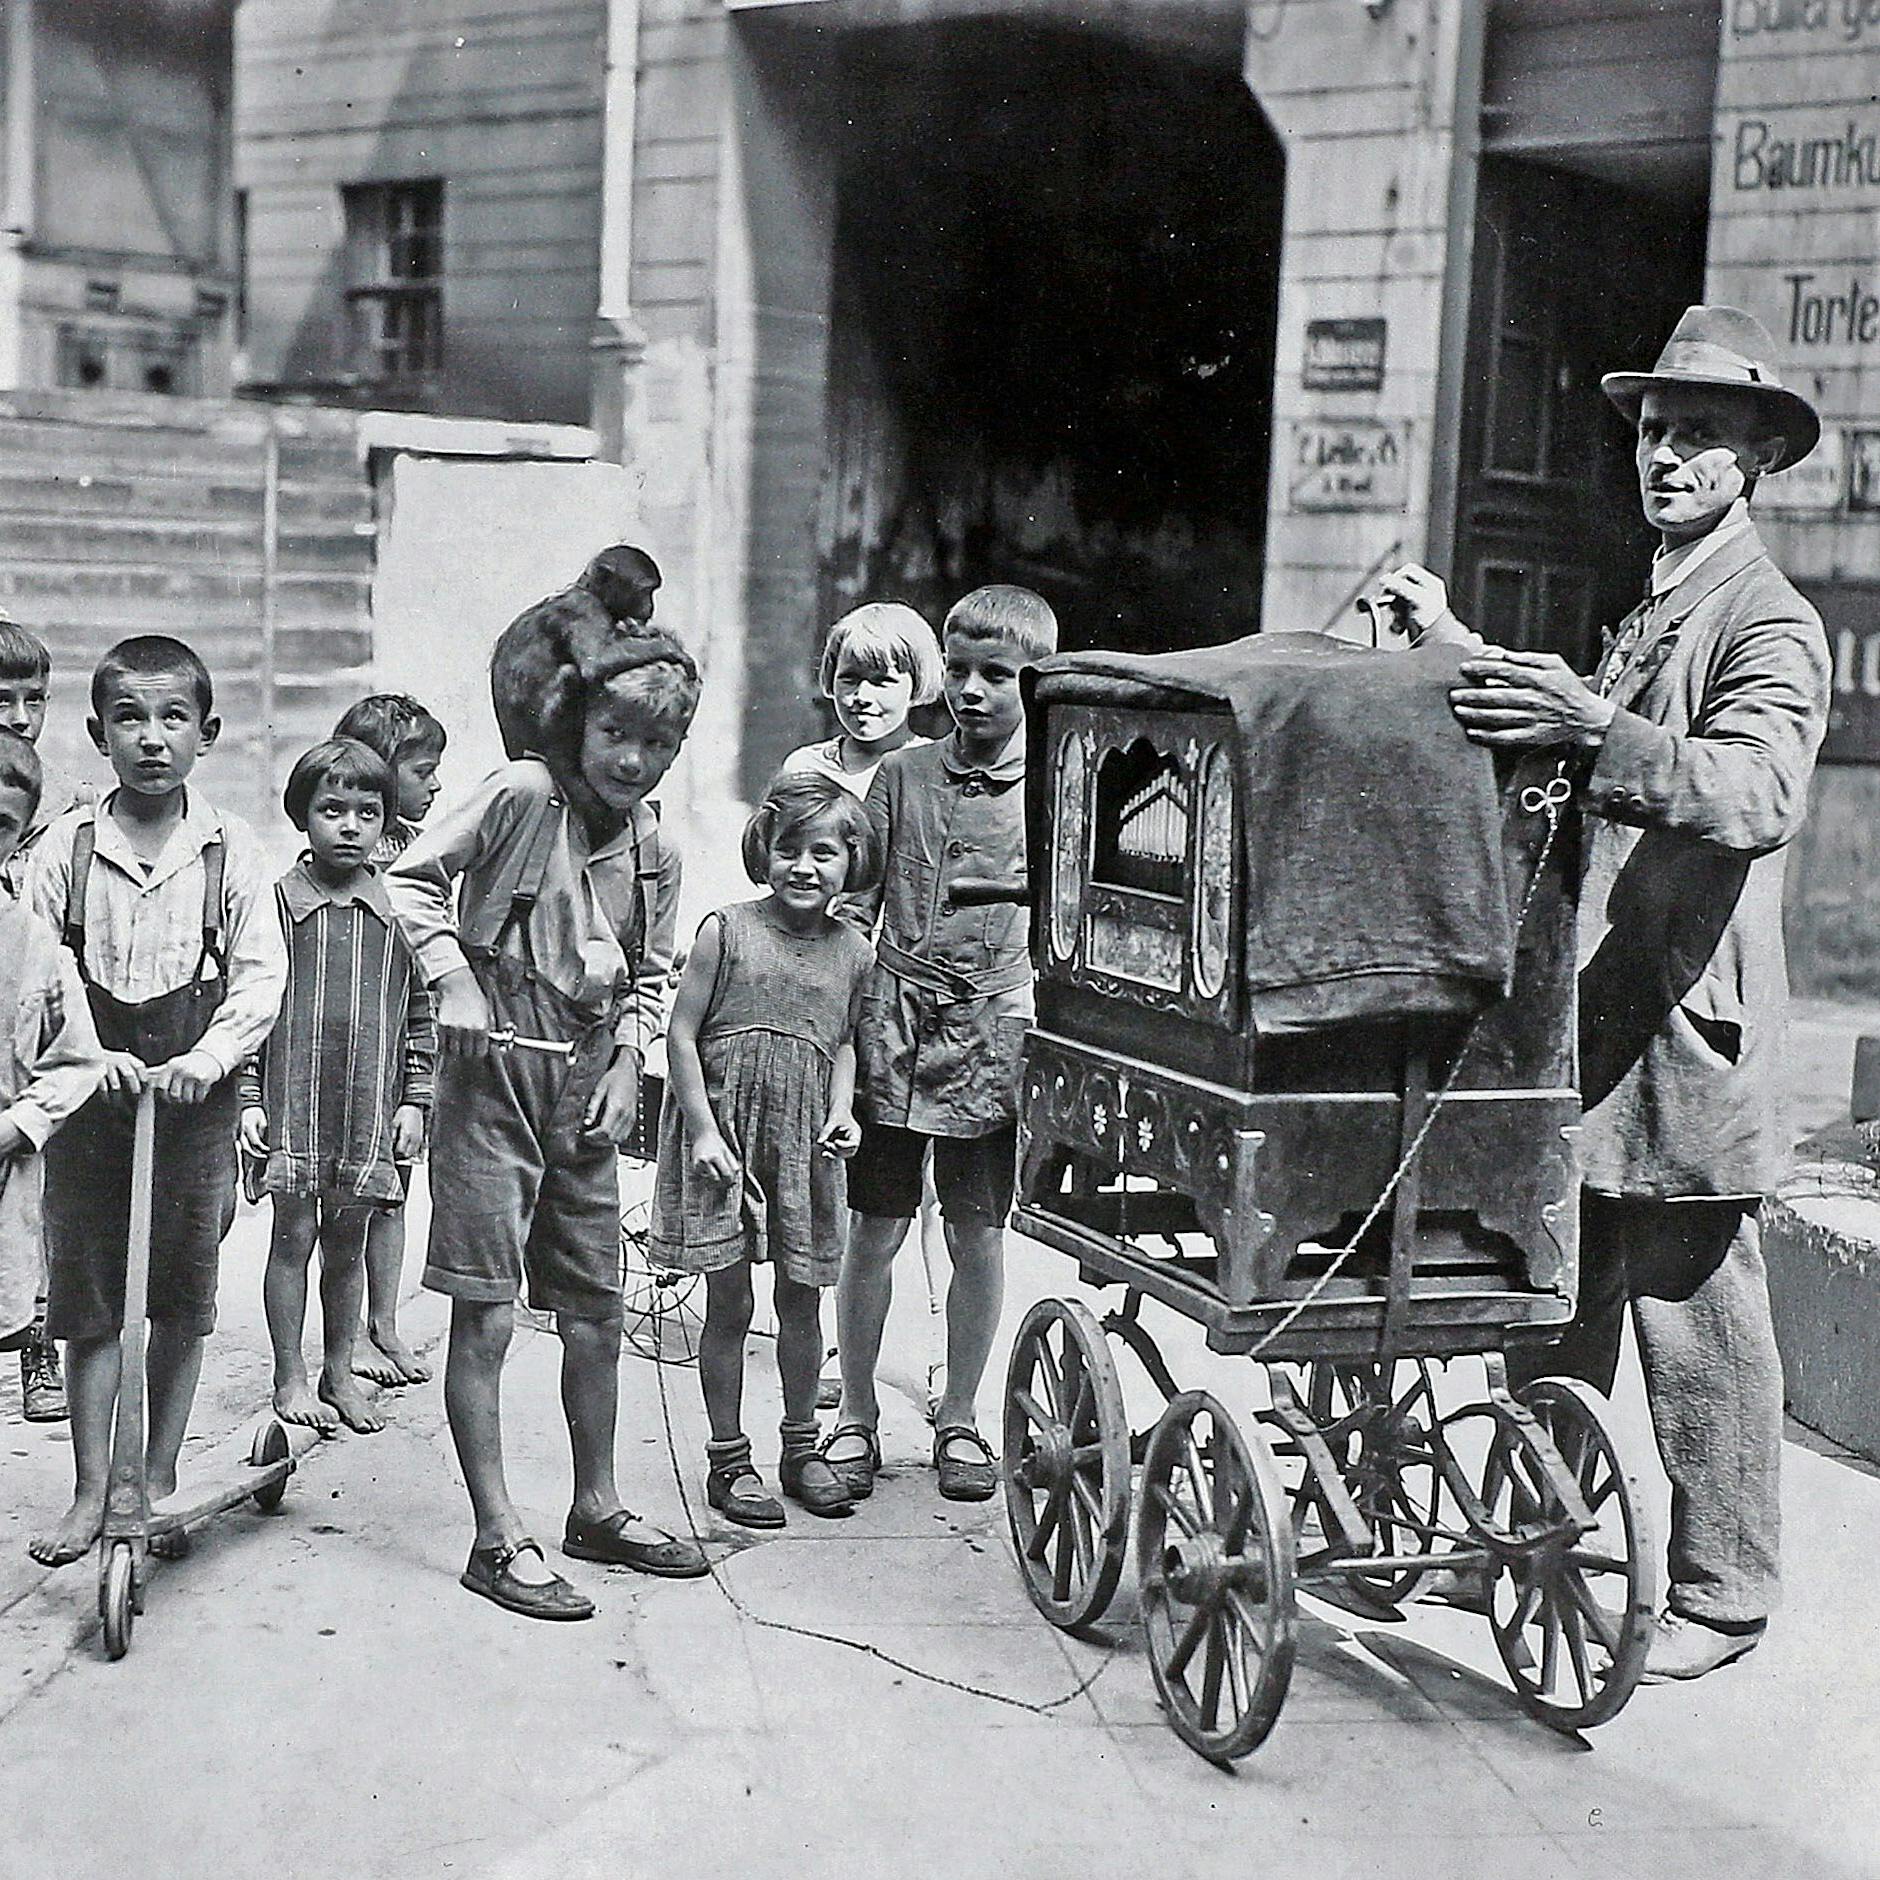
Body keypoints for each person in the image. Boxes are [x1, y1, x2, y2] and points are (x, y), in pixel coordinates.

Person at [1388, 304, 1830, 1683]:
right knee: (1552, 1278)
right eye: (1653, 428)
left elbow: (1751, 792)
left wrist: (1598, 731)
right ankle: (1528, 1532)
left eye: (1700, 433)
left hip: (1687, 1024)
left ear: (1756, 456)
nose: (1667, 453)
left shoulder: (1767, 619)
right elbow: (1584, 721)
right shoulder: (1660, 600)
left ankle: (1724, 1592)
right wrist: (1463, 643)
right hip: (1598, 1013)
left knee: (1693, 1309)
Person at [387, 629, 708, 1620]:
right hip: (490, 1076)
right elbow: (408, 881)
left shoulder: (656, 850)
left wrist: (625, 1065)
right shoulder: (525, 794)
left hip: (583, 1083)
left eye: (653, 746)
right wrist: (452, 983)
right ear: (582, 721)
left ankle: (595, 1504)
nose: (628, 760)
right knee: (484, 1309)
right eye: (613, 732)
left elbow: (650, 979)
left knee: (595, 1310)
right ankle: (495, 1537)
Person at [26, 636, 288, 1568]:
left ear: (206, 733)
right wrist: (85, 1052)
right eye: (130, 719)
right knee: (92, 1295)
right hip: (91, 1096)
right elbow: (39, 965)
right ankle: (95, 1487)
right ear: (98, 735)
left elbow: (260, 978)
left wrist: (211, 1059)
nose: (151, 738)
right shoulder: (67, 847)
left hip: (192, 1097)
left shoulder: (231, 850)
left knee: (178, 1287)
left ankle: (158, 1478)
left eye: (172, 718)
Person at [823, 584, 1058, 1503]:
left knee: (975, 1234)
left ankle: (959, 1414)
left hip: (994, 1039)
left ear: (1033, 683)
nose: (971, 690)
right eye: (957, 670)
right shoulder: (903, 776)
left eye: (996, 675)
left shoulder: (1054, 788)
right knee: (874, 1230)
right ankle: (854, 1417)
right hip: (891, 1031)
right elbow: (854, 906)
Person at [651, 772, 877, 1526]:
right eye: (788, 849)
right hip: (726, 1140)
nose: (804, 867)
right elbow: (681, 1035)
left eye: (823, 853)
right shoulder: (728, 930)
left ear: (852, 863)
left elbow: (844, 1041)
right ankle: (727, 1458)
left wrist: (843, 1110)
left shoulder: (854, 952)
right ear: (764, 853)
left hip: (803, 1143)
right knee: (731, 1300)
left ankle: (801, 1447)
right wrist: (705, 1132)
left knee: (801, 1300)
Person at [780, 601, 951, 1417]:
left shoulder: (935, 768)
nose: (865, 696)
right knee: (845, 1182)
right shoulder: (807, 768)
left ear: (919, 686)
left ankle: (943, 1354)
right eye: (851, 677)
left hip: (910, 992)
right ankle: (837, 1348)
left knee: (929, 1202)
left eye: (886, 679)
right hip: (828, 978)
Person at [239, 740, 434, 1436]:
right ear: (302, 816)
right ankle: (290, 1374)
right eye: (331, 810)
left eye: (366, 812)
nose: (349, 826)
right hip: (295, 1103)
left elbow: (421, 1012)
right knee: (292, 1236)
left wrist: (415, 1099)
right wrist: (249, 1099)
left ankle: (340, 1369)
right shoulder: (278, 906)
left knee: (347, 1245)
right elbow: (250, 1008)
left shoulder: (400, 910)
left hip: (366, 1107)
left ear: (386, 821)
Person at [329, 692, 448, 1386]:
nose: (435, 785)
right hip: (353, 1045)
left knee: (396, 1190)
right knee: (348, 1203)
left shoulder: (425, 851)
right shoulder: (343, 849)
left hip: (409, 1041)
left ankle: (384, 1325)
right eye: (424, 770)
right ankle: (344, 1339)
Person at [0, 615, 94, 1421]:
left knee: (44, 1190)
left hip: (35, 1004)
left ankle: (38, 1346)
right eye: (4, 700)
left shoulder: (63, 803)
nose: (21, 718)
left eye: (36, 700)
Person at [489, 545, 663, 762]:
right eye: (641, 594)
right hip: (542, 737)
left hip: (533, 734)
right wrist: (665, 649)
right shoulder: (582, 607)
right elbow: (597, 663)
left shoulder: (564, 610)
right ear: (605, 580)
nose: (648, 609)